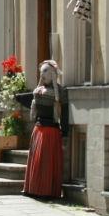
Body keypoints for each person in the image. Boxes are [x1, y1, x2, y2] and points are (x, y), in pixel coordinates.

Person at [23, 60, 66, 198]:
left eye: (46, 71)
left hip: (51, 131)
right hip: (39, 129)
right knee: (37, 159)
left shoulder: (59, 91)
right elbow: (33, 105)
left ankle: (47, 191)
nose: (43, 74)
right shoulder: (38, 90)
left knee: (47, 161)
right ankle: (34, 188)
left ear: (53, 74)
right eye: (42, 72)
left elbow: (63, 110)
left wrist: (64, 131)